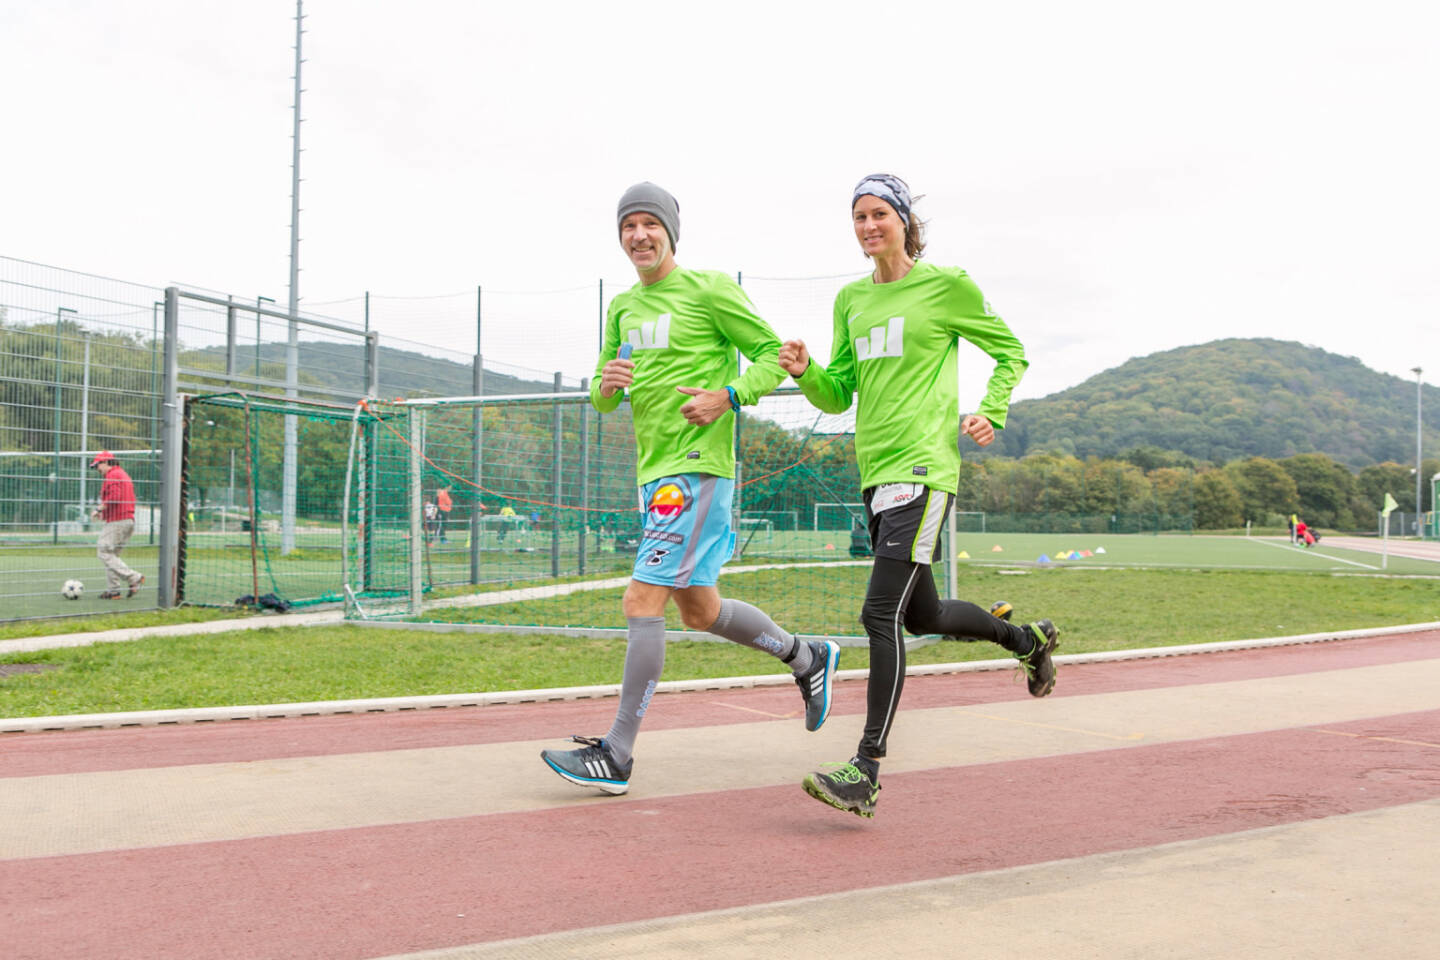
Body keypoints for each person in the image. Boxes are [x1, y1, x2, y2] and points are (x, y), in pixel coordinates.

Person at [540, 181, 842, 795]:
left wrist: (726, 396)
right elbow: (602, 395)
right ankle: (806, 657)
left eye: (650, 224)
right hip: (655, 473)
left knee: (639, 600)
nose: (639, 236)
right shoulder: (624, 307)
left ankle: (617, 754)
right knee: (700, 610)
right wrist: (607, 381)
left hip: (697, 468)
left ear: (670, 232)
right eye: (628, 226)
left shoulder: (709, 290)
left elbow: (770, 355)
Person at [778, 173, 1059, 818]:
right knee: (920, 616)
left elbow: (1009, 350)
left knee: (878, 617)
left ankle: (866, 770)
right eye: (858, 217)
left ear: (905, 221)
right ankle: (1028, 641)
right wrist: (805, 372)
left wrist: (992, 411)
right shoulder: (850, 300)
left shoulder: (946, 286)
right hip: (876, 475)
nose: (868, 226)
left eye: (879, 213)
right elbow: (838, 393)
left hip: (926, 470)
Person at [89, 451, 144, 599]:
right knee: (112, 556)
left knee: (103, 551)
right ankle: (114, 591)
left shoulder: (112, 474)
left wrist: (99, 508)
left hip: (118, 521)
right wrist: (105, 511)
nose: (97, 469)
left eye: (97, 465)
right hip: (127, 520)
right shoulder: (121, 474)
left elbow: (115, 496)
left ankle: (133, 577)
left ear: (106, 462)